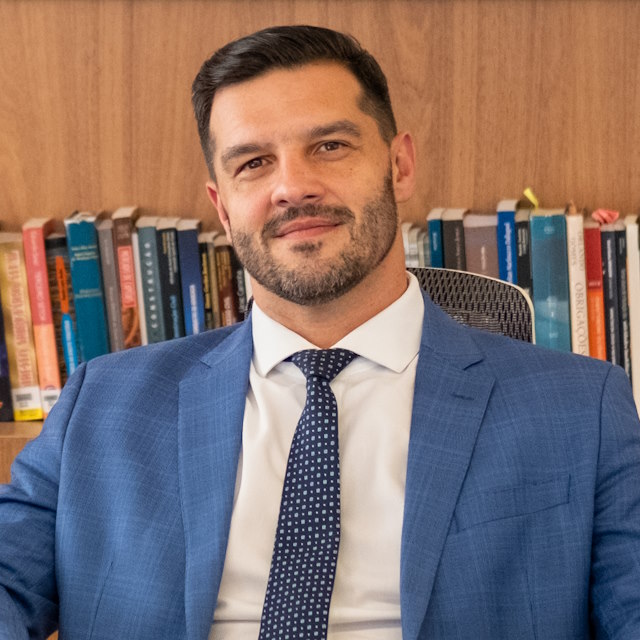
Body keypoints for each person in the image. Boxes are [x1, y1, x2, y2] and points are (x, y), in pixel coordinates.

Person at [1, 24, 639, 640]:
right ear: (222, 207)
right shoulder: (103, 403)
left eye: (330, 146)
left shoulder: (582, 409)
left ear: (399, 166)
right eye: (254, 162)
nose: (292, 187)